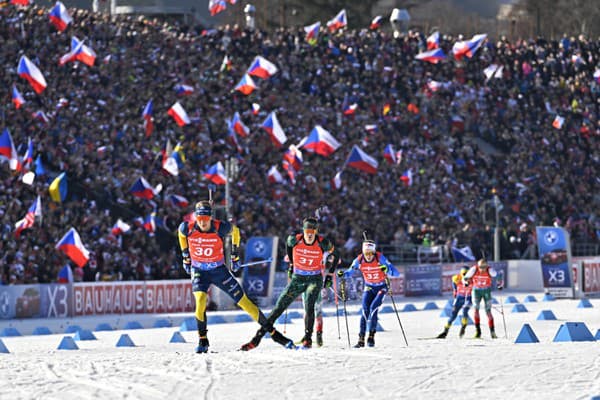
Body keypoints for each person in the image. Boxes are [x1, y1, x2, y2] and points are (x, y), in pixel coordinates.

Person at [179, 200, 293, 353]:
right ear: (196, 218)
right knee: (200, 302)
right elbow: (181, 235)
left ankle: (274, 334)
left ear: (211, 218)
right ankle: (203, 340)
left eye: (206, 219)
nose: (203, 223)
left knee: (245, 303)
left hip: (219, 271)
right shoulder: (187, 227)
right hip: (200, 271)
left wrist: (234, 256)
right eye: (200, 219)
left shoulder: (220, 226)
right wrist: (186, 256)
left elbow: (236, 232)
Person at [242, 216, 339, 349]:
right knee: (279, 307)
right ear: (303, 231)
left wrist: (329, 274)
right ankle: (257, 339)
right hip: (298, 279)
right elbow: (288, 246)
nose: (309, 236)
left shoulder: (323, 242)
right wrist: (292, 265)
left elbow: (336, 254)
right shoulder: (294, 239)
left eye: (312, 233)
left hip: (314, 279)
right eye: (307, 233)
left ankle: (308, 338)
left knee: (310, 306)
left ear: (316, 232)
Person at [337, 236, 399, 348]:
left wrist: (387, 269)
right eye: (366, 253)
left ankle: (371, 336)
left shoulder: (380, 258)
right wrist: (343, 274)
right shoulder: (359, 260)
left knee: (373, 308)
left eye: (371, 253)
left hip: (381, 287)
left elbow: (396, 273)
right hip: (369, 287)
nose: (369, 255)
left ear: (374, 252)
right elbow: (350, 272)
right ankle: (361, 339)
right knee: (365, 310)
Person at [462, 258, 503, 339]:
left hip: (486, 291)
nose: (482, 269)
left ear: (486, 266)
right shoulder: (474, 269)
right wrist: (466, 283)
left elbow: (499, 276)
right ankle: (478, 331)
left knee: (488, 311)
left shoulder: (490, 270)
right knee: (476, 309)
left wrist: (499, 285)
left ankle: (492, 332)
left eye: (483, 267)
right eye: (480, 267)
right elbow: (465, 277)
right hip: (476, 291)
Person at [436, 266, 472, 338]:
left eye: (466, 274)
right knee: (453, 315)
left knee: (465, 311)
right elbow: (455, 288)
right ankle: (445, 331)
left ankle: (463, 328)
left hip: (468, 298)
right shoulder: (456, 278)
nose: (465, 275)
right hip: (459, 298)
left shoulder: (472, 279)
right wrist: (455, 295)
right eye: (464, 273)